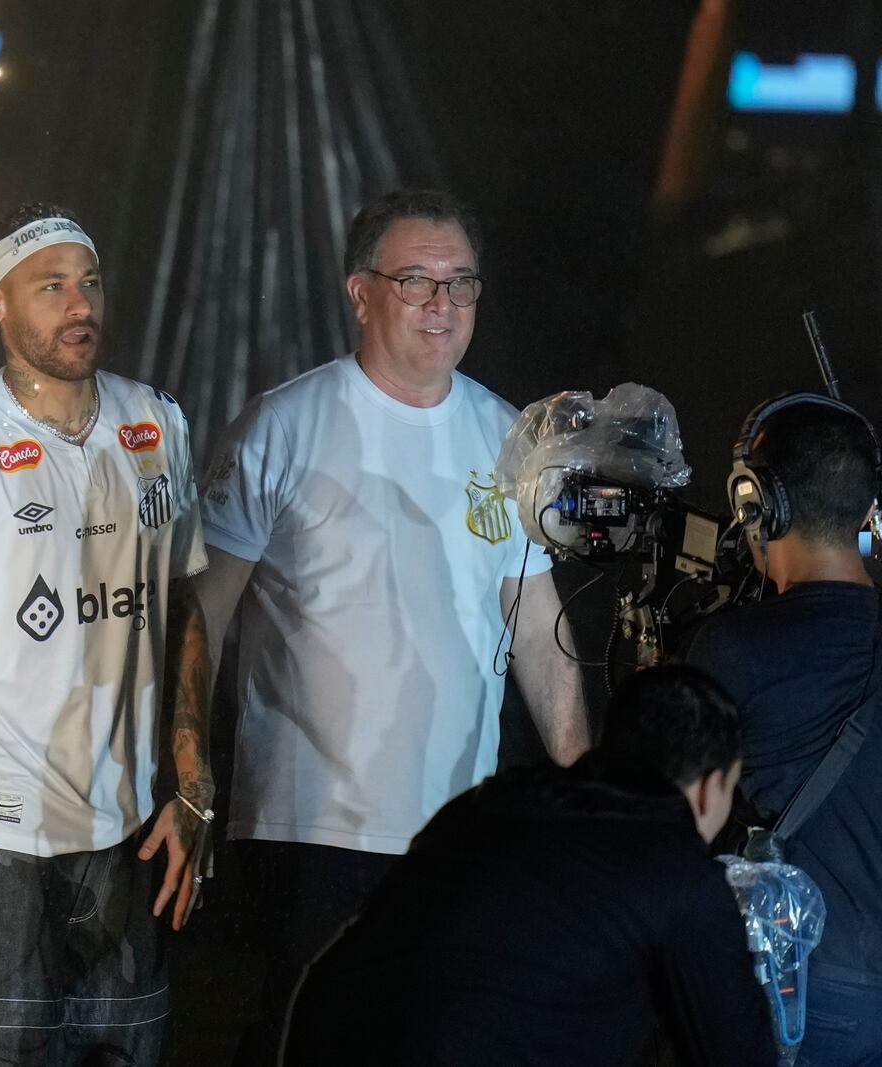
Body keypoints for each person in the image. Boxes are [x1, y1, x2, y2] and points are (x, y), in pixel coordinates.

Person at [193, 187, 591, 1063]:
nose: (442, 304)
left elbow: (537, 634)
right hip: (313, 826)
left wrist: (581, 799)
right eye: (415, 280)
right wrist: (187, 767)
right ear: (361, 293)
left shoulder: (506, 436)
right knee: (312, 1041)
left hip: (457, 826)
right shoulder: (284, 424)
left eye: (461, 283)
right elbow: (205, 613)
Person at [0, 203, 211, 1064]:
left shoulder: (157, 423)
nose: (79, 305)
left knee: (124, 1052)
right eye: (52, 285)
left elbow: (182, 607)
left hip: (130, 821)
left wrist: (190, 782)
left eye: (89, 282)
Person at [284, 666, 776, 1067]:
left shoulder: (488, 804)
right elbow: (736, 1052)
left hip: (323, 1034)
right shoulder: (682, 876)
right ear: (712, 788)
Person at [688, 393, 882, 1066]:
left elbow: (676, 826)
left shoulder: (734, 649)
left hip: (804, 995)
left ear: (756, 505)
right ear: (867, 512)